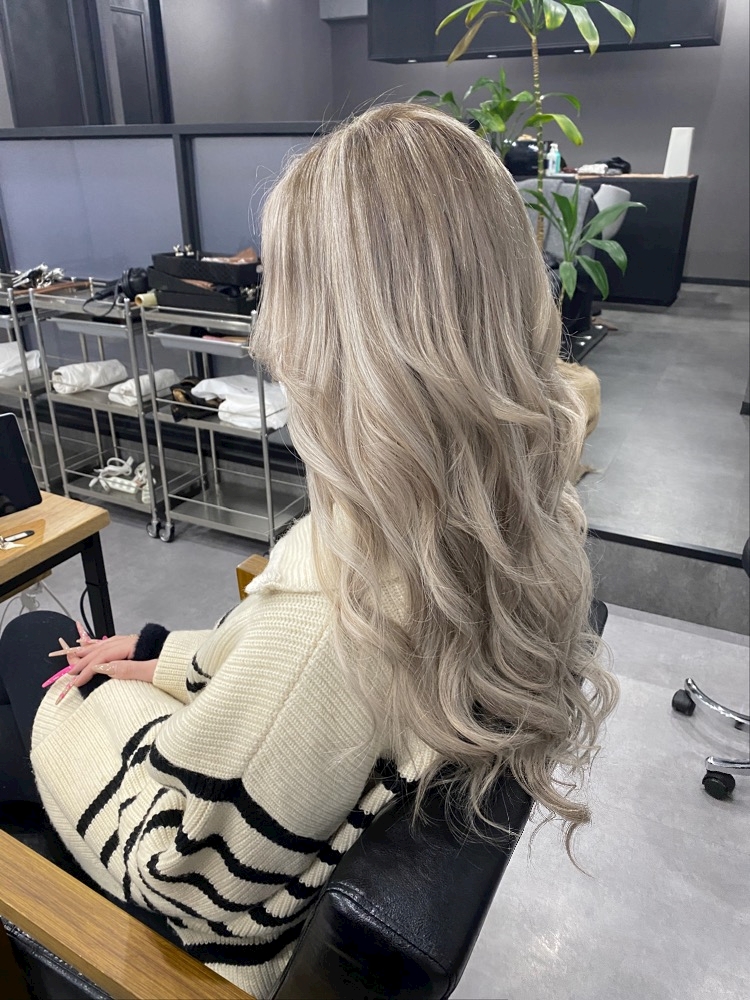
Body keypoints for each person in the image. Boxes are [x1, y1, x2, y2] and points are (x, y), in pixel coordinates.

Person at [0, 103, 618, 998]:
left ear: (336, 334)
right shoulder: (521, 516)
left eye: (282, 290)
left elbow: (177, 876)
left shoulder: (340, 609)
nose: (267, 334)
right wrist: (161, 658)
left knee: (29, 651)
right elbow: (272, 686)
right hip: (269, 767)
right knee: (66, 649)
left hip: (194, 923)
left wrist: (65, 716)